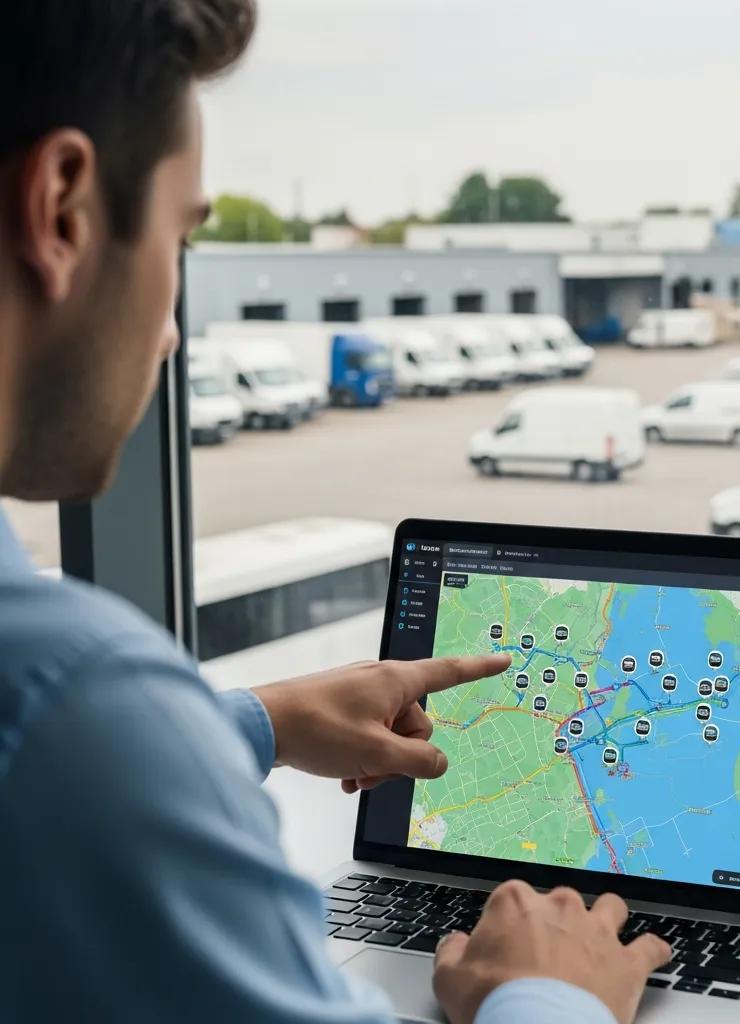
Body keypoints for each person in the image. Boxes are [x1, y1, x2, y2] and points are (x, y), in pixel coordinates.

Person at [0, 2, 671, 1022]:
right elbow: (55, 748)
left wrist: (253, 724)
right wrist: (550, 997)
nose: (173, 332)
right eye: (182, 240)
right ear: (61, 209)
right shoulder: (69, 698)